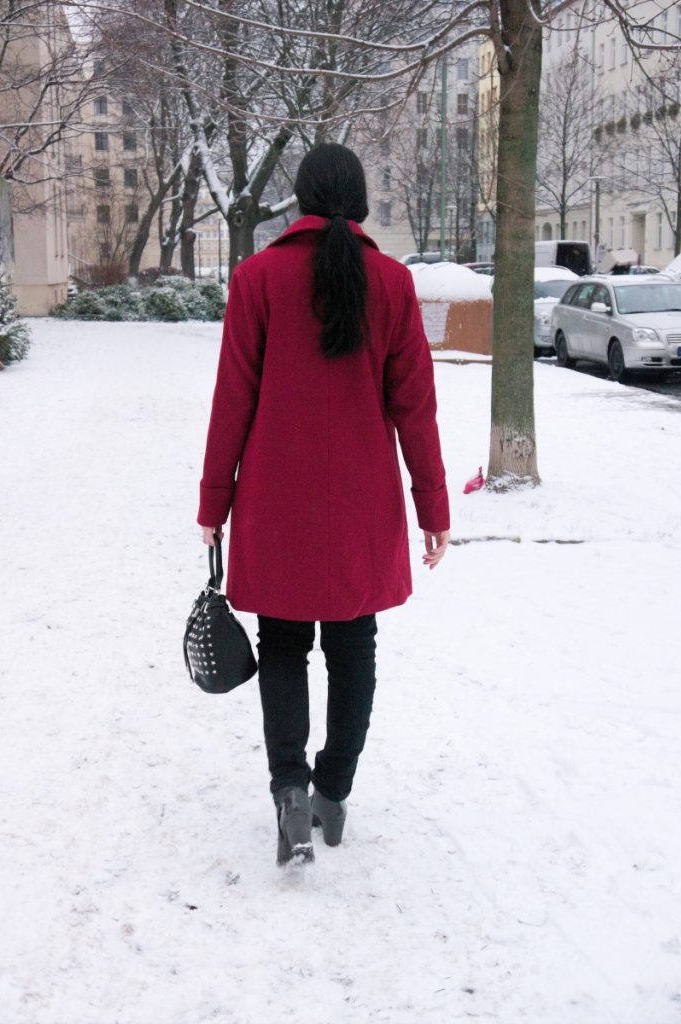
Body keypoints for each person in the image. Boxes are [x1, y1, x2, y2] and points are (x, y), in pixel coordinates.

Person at [197, 142, 450, 866]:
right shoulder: (394, 284)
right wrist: (433, 509)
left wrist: (214, 499)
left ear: (302, 200)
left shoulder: (257, 278)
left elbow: (232, 401)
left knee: (283, 643)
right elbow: (416, 410)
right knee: (353, 644)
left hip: (275, 501)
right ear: (360, 199)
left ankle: (288, 788)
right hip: (361, 506)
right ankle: (332, 792)